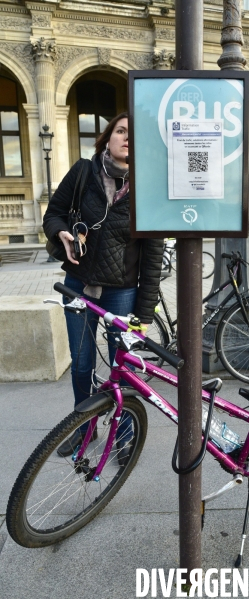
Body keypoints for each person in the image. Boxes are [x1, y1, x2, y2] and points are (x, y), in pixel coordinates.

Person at [43, 112, 163, 462]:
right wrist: (60, 232)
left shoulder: (148, 188)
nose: (127, 138)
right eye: (121, 131)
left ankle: (124, 435)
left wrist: (144, 311)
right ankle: (84, 429)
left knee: (120, 366)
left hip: (122, 291)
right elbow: (54, 213)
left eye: (134, 134)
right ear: (107, 137)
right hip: (78, 285)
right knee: (81, 365)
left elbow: (153, 254)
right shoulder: (83, 172)